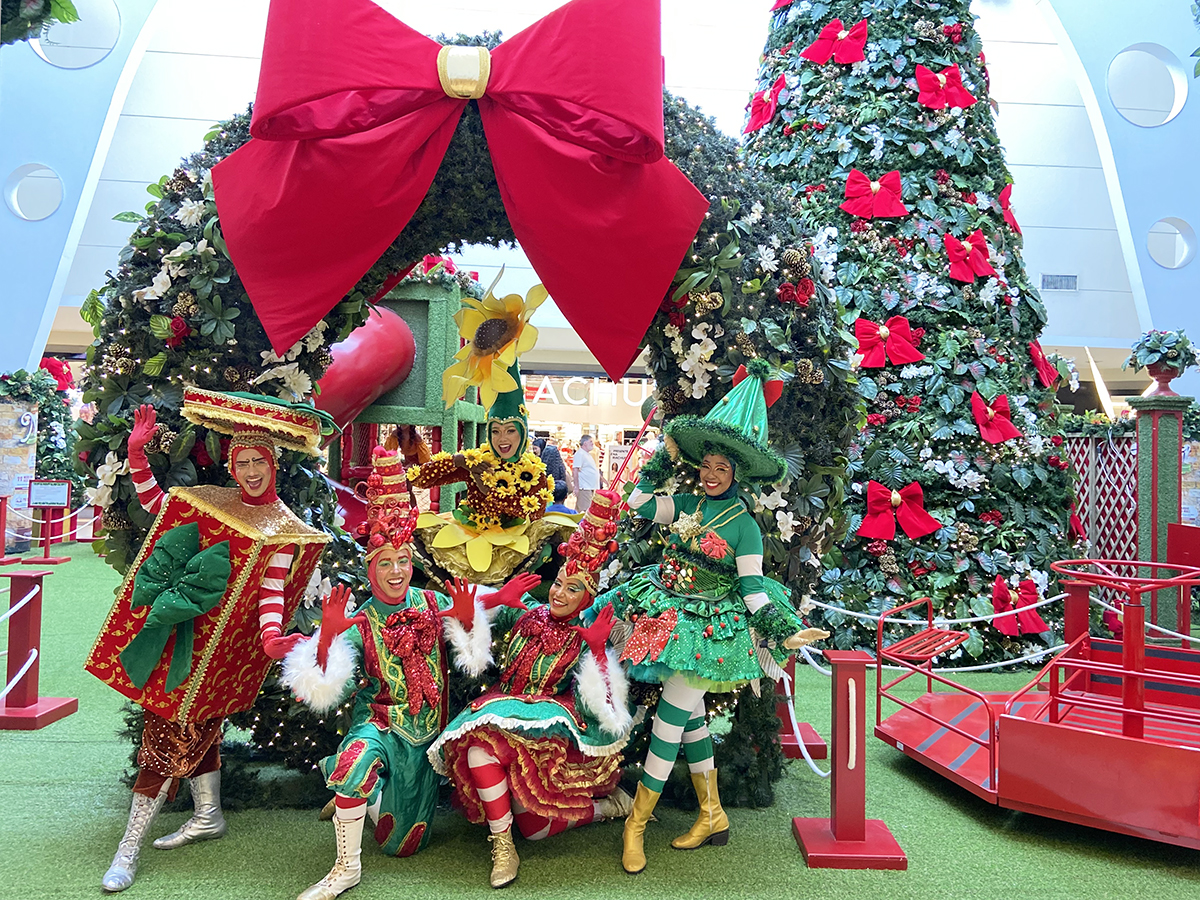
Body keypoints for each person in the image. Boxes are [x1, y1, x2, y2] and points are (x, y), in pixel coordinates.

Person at [85, 389, 333, 892]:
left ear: (273, 463)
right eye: (240, 461)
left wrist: (268, 638)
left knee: (190, 728)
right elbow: (160, 509)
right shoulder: (213, 498)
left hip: (225, 652)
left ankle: (150, 840)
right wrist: (137, 455)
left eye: (257, 460)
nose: (248, 470)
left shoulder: (285, 528)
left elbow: (270, 589)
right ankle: (192, 820)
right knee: (171, 730)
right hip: (180, 636)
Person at [596, 360, 828, 874]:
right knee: (692, 721)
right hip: (667, 611)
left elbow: (751, 591)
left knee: (668, 721)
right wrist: (663, 455)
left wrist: (782, 631)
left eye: (722, 468)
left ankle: (636, 824)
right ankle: (712, 815)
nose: (712, 473)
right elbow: (636, 503)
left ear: (736, 473)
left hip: (709, 631)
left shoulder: (746, 527)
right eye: (707, 465)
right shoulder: (683, 504)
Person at [281, 446, 537, 900]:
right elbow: (317, 684)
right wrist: (326, 637)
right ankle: (346, 866)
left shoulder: (427, 602)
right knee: (354, 760)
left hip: (426, 736)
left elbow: (467, 607)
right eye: (385, 562)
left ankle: (364, 797)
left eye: (403, 560)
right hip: (381, 725)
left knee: (402, 845)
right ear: (371, 567)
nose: (397, 570)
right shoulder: (360, 618)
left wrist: (493, 601)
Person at [427, 490, 635, 888]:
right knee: (477, 747)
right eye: (559, 583)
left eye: (573, 589)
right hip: (501, 712)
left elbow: (610, 710)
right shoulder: (527, 613)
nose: (558, 593)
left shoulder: (588, 634)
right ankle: (502, 846)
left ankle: (607, 807)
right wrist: (492, 601)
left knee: (537, 827)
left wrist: (594, 649)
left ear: (588, 597)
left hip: (549, 733)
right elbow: (463, 627)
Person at [408, 359, 574, 582]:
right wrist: (457, 461)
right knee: (414, 536)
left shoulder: (534, 472)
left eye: (510, 431)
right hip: (467, 532)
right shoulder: (477, 461)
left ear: (522, 433)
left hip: (511, 538)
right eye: (495, 431)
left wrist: (489, 491)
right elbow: (420, 479)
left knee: (546, 549)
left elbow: (535, 514)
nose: (502, 439)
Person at [572, 434, 602, 513]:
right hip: (584, 487)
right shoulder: (580, 454)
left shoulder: (587, 454)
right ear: (585, 443)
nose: (593, 444)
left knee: (585, 509)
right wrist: (576, 487)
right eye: (591, 442)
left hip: (589, 487)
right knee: (584, 510)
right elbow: (575, 470)